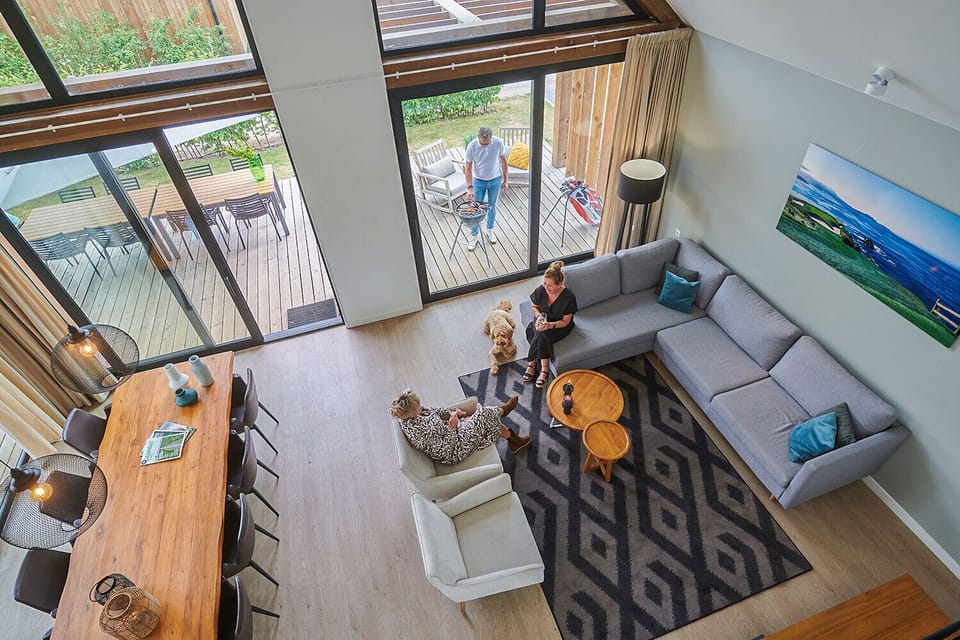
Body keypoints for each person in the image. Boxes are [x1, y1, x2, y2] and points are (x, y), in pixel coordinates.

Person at [391, 389, 531, 463]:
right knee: (484, 415)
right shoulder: (418, 433)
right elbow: (445, 450)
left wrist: (454, 412)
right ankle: (502, 411)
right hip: (455, 450)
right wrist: (452, 427)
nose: (420, 407)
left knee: (486, 420)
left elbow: (436, 411)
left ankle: (513, 440)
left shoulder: (415, 413)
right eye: (417, 407)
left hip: (452, 433)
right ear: (410, 412)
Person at [524, 260, 578, 389]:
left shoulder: (568, 297)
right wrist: (539, 316)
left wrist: (550, 325)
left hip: (559, 326)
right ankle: (544, 369)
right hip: (543, 320)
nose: (546, 287)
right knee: (537, 330)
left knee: (542, 333)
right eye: (544, 283)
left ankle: (534, 365)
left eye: (550, 285)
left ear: (559, 284)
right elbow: (534, 307)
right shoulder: (541, 290)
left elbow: (566, 322)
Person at [464, 126, 508, 251]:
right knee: (476, 208)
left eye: (487, 143)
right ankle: (474, 235)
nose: (485, 145)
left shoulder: (498, 143)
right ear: (478, 137)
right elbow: (467, 168)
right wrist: (470, 188)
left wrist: (506, 180)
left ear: (491, 138)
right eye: (483, 143)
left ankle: (490, 230)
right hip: (479, 181)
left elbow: (504, 161)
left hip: (495, 180)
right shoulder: (472, 147)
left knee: (492, 207)